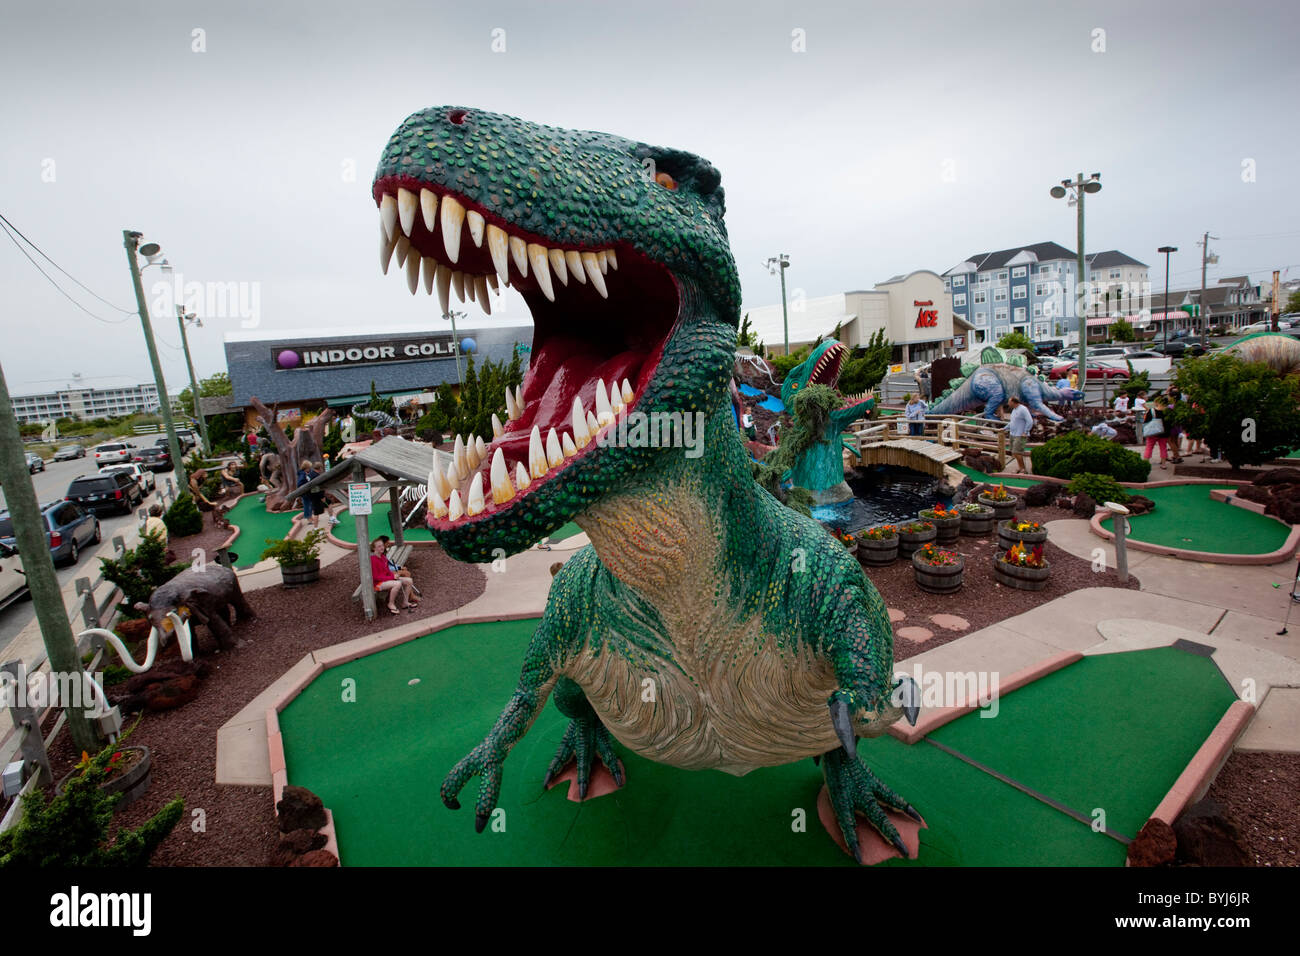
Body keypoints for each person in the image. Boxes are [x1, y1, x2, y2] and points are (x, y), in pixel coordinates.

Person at [370, 539, 415, 614]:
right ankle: (391, 603)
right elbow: (376, 577)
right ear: (374, 548)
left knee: (409, 581)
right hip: (377, 584)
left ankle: (405, 602)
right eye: (379, 546)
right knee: (397, 584)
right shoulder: (372, 560)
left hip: (386, 580)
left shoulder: (383, 557)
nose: (382, 547)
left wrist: (394, 575)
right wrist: (392, 577)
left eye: (382, 545)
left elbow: (387, 571)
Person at [1005, 397, 1034, 474]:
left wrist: (1025, 431)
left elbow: (1030, 421)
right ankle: (1020, 467)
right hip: (1013, 433)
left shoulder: (1023, 409)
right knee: (1014, 452)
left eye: (1009, 402)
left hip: (1020, 434)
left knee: (1017, 452)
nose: (1008, 403)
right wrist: (1004, 428)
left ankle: (1023, 469)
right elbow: (1012, 422)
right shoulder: (1014, 410)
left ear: (1014, 402)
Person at [1141, 398, 1170, 469]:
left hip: (1152, 432)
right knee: (1163, 447)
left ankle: (1146, 462)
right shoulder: (1168, 412)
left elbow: (1146, 421)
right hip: (1164, 432)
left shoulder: (1152, 411)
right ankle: (1163, 464)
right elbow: (1170, 423)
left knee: (1149, 447)